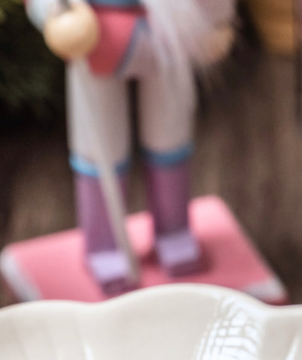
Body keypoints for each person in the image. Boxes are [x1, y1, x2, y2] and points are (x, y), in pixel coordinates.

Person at [26, 0, 235, 295]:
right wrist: (52, 15)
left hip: (170, 32)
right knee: (100, 149)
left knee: (170, 138)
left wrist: (215, 20)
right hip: (95, 38)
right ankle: (104, 247)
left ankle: (174, 232)